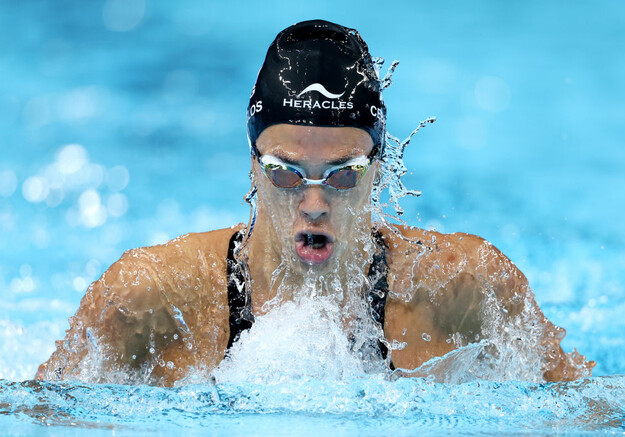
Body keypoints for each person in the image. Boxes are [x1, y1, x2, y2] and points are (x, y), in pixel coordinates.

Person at [36, 19, 593, 386]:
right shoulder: (151, 298)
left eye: (343, 176)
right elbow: (38, 417)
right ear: (252, 162)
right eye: (285, 174)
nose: (314, 202)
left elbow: (590, 416)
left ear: (380, 171)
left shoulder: (466, 290)